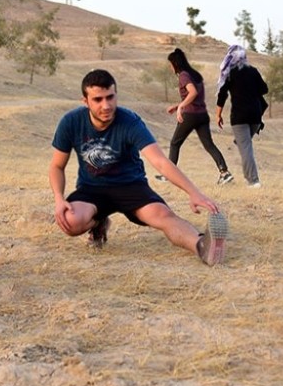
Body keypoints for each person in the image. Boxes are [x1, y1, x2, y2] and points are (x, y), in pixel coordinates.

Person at [49, 69, 228, 265]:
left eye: (110, 97)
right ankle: (98, 222)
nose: (106, 105)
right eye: (98, 100)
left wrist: (193, 193)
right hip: (92, 189)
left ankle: (202, 246)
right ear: (86, 102)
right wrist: (59, 199)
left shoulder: (130, 121)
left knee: (164, 216)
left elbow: (160, 161)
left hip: (130, 186)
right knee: (70, 221)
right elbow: (57, 166)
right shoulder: (71, 122)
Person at [157, 48, 233, 186]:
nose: (170, 67)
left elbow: (192, 93)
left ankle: (168, 175)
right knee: (209, 145)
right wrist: (178, 106)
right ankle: (224, 172)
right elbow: (193, 97)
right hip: (202, 115)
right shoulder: (195, 74)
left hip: (190, 115)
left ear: (175, 64)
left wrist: (181, 107)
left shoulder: (183, 75)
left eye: (170, 64)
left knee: (175, 143)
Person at [216, 45, 269, 188]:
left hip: (239, 117)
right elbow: (265, 89)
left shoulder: (230, 73)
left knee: (245, 148)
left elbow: (222, 95)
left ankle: (253, 181)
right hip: (256, 116)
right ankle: (249, 176)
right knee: (244, 145)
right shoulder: (253, 71)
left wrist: (218, 115)